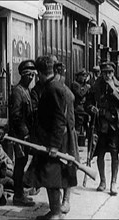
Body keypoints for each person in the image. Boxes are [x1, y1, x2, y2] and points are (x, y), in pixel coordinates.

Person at [27, 55, 77, 219]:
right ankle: (55, 211)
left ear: (40, 73)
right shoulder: (55, 86)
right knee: (51, 176)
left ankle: (55, 213)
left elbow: (59, 119)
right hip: (50, 141)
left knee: (51, 176)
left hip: (53, 142)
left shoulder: (52, 88)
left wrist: (54, 145)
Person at [85, 61, 119, 196]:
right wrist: (92, 108)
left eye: (109, 72)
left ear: (113, 73)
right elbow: (88, 103)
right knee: (100, 154)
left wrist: (113, 88)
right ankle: (102, 181)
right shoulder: (95, 86)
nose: (107, 75)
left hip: (114, 126)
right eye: (104, 72)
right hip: (100, 125)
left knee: (115, 154)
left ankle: (113, 183)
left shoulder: (118, 85)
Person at [9, 59, 37, 206]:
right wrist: (24, 134)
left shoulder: (26, 90)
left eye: (33, 75)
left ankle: (20, 193)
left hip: (25, 135)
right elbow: (16, 116)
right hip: (19, 136)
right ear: (23, 75)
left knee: (23, 162)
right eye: (29, 75)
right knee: (19, 164)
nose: (31, 78)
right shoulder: (17, 91)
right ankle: (18, 196)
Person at [53, 58, 79, 214]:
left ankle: (66, 200)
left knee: (68, 167)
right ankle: (59, 201)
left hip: (66, 134)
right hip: (58, 134)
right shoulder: (58, 89)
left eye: (60, 74)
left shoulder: (64, 92)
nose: (59, 77)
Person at [71, 69, 91, 141]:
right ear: (78, 76)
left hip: (84, 110)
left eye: (85, 76)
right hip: (78, 109)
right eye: (82, 76)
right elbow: (80, 94)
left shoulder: (84, 85)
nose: (84, 78)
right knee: (78, 128)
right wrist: (86, 87)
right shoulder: (75, 84)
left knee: (87, 127)